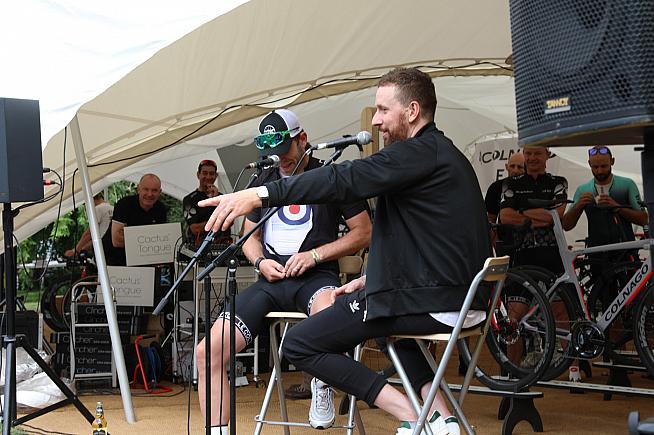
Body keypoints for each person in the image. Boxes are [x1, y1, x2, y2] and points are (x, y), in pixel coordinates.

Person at [199, 68, 491, 435]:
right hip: (451, 297)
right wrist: (371, 279)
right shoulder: (439, 154)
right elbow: (434, 242)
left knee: (301, 344)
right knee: (384, 330)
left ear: (413, 110)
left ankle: (413, 415)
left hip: (436, 302)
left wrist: (259, 195)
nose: (378, 120)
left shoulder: (419, 152)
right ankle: (442, 415)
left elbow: (344, 178)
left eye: (384, 110)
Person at [195, 109, 372, 435]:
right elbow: (250, 239)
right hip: (271, 282)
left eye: (286, 150)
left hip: (317, 278)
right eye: (272, 154)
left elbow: (364, 232)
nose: (280, 160)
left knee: (329, 311)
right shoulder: (262, 180)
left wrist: (315, 255)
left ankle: (323, 384)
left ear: (303, 138)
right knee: (208, 352)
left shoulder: (331, 175)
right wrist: (261, 262)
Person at [498, 146, 572, 378]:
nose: (532, 158)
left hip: (553, 254)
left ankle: (573, 370)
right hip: (523, 257)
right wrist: (543, 214)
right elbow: (505, 217)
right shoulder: (511, 184)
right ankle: (512, 372)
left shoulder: (558, 181)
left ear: (547, 156)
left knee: (561, 313)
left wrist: (524, 212)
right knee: (514, 318)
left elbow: (557, 217)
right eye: (528, 154)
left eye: (537, 154)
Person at [104, 174, 167, 266]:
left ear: (160, 192)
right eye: (146, 189)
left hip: (144, 264)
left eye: (154, 190)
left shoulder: (161, 209)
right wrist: (149, 243)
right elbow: (117, 241)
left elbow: (160, 242)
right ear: (138, 189)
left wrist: (131, 237)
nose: (150, 194)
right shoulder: (124, 205)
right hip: (114, 261)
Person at [182, 159, 231, 247]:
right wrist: (220, 221)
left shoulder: (222, 197)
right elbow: (195, 229)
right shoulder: (189, 199)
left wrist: (216, 198)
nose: (208, 177)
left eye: (211, 174)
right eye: (205, 173)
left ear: (216, 176)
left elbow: (230, 222)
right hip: (200, 248)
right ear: (198, 175)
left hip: (223, 246)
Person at [484, 152, 525, 255]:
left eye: (520, 167)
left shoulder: (532, 187)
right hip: (506, 243)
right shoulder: (496, 188)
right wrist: (498, 246)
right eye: (512, 166)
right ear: (507, 167)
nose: (515, 170)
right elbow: (490, 221)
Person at [64, 192, 113, 259]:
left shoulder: (98, 209)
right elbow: (101, 236)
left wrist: (76, 250)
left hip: (103, 251)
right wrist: (83, 248)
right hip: (112, 249)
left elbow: (89, 233)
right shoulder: (112, 208)